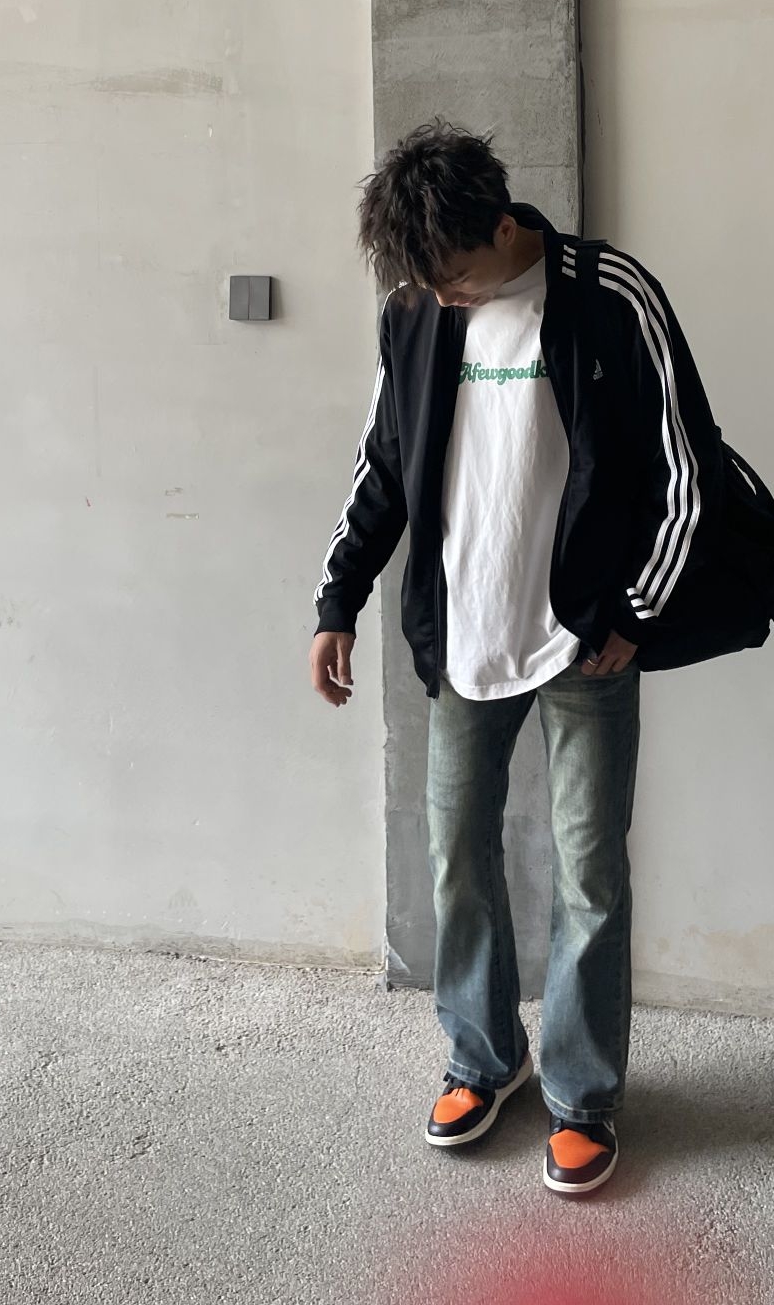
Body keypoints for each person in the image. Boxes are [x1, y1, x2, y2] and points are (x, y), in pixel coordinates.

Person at [309, 120, 724, 1198]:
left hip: (586, 644)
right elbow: (383, 464)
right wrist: (338, 598)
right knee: (458, 854)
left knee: (590, 872)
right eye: (420, 280)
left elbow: (687, 465)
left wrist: (633, 612)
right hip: (465, 637)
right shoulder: (416, 311)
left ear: (502, 226)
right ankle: (483, 1060)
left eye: (450, 274)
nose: (439, 295)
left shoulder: (608, 293)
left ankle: (582, 1097)